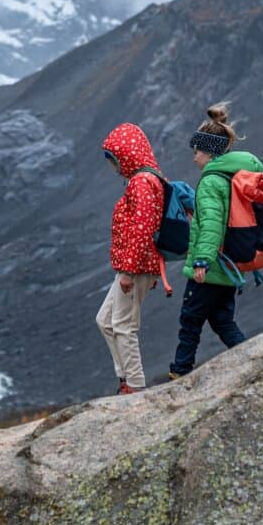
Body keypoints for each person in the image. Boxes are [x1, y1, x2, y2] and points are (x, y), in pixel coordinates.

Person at [168, 103, 262, 380]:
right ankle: (252, 359)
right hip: (228, 266)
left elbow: (210, 224)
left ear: (208, 152)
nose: (194, 157)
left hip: (210, 268)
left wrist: (201, 261)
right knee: (223, 321)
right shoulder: (229, 179)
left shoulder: (210, 182)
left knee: (190, 320)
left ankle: (180, 372)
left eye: (196, 151)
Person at [96, 123, 165, 394]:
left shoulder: (141, 182)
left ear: (125, 156)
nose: (113, 166)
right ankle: (125, 377)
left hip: (134, 268)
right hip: (136, 266)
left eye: (114, 159)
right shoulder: (148, 179)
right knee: (105, 320)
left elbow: (142, 227)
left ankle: (134, 385)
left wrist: (129, 270)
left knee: (123, 326)